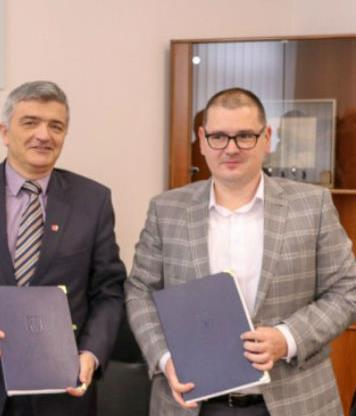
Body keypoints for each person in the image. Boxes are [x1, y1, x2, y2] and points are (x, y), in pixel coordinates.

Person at [126, 87, 356, 416]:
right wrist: (165, 357)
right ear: (202, 140)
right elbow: (140, 291)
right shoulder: (166, 210)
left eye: (245, 136)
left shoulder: (312, 206)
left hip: (296, 401)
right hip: (190, 403)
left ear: (267, 138)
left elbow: (348, 289)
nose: (231, 148)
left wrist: (287, 338)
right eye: (219, 136)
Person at [0, 80, 127, 416]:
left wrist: (91, 354)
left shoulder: (93, 200)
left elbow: (109, 290)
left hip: (62, 391)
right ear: (5, 132)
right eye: (30, 122)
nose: (43, 135)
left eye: (56, 126)